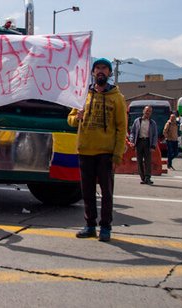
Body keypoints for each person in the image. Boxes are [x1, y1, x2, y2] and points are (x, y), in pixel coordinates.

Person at [67, 57, 127, 242]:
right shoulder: (82, 95)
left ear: (109, 73)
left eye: (104, 68)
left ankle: (106, 227)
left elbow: (121, 127)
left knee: (106, 192)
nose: (100, 71)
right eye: (97, 68)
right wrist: (77, 117)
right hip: (85, 150)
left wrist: (117, 153)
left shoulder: (117, 98)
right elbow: (69, 120)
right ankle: (90, 225)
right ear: (92, 72)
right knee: (87, 192)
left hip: (106, 153)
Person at [129, 105, 159, 185]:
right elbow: (132, 132)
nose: (148, 113)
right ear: (143, 111)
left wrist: (153, 146)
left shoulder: (152, 123)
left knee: (148, 161)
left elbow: (155, 135)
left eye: (149, 111)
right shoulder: (137, 121)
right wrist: (132, 141)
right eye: (146, 111)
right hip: (139, 142)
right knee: (139, 161)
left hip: (148, 143)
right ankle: (143, 178)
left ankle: (148, 177)